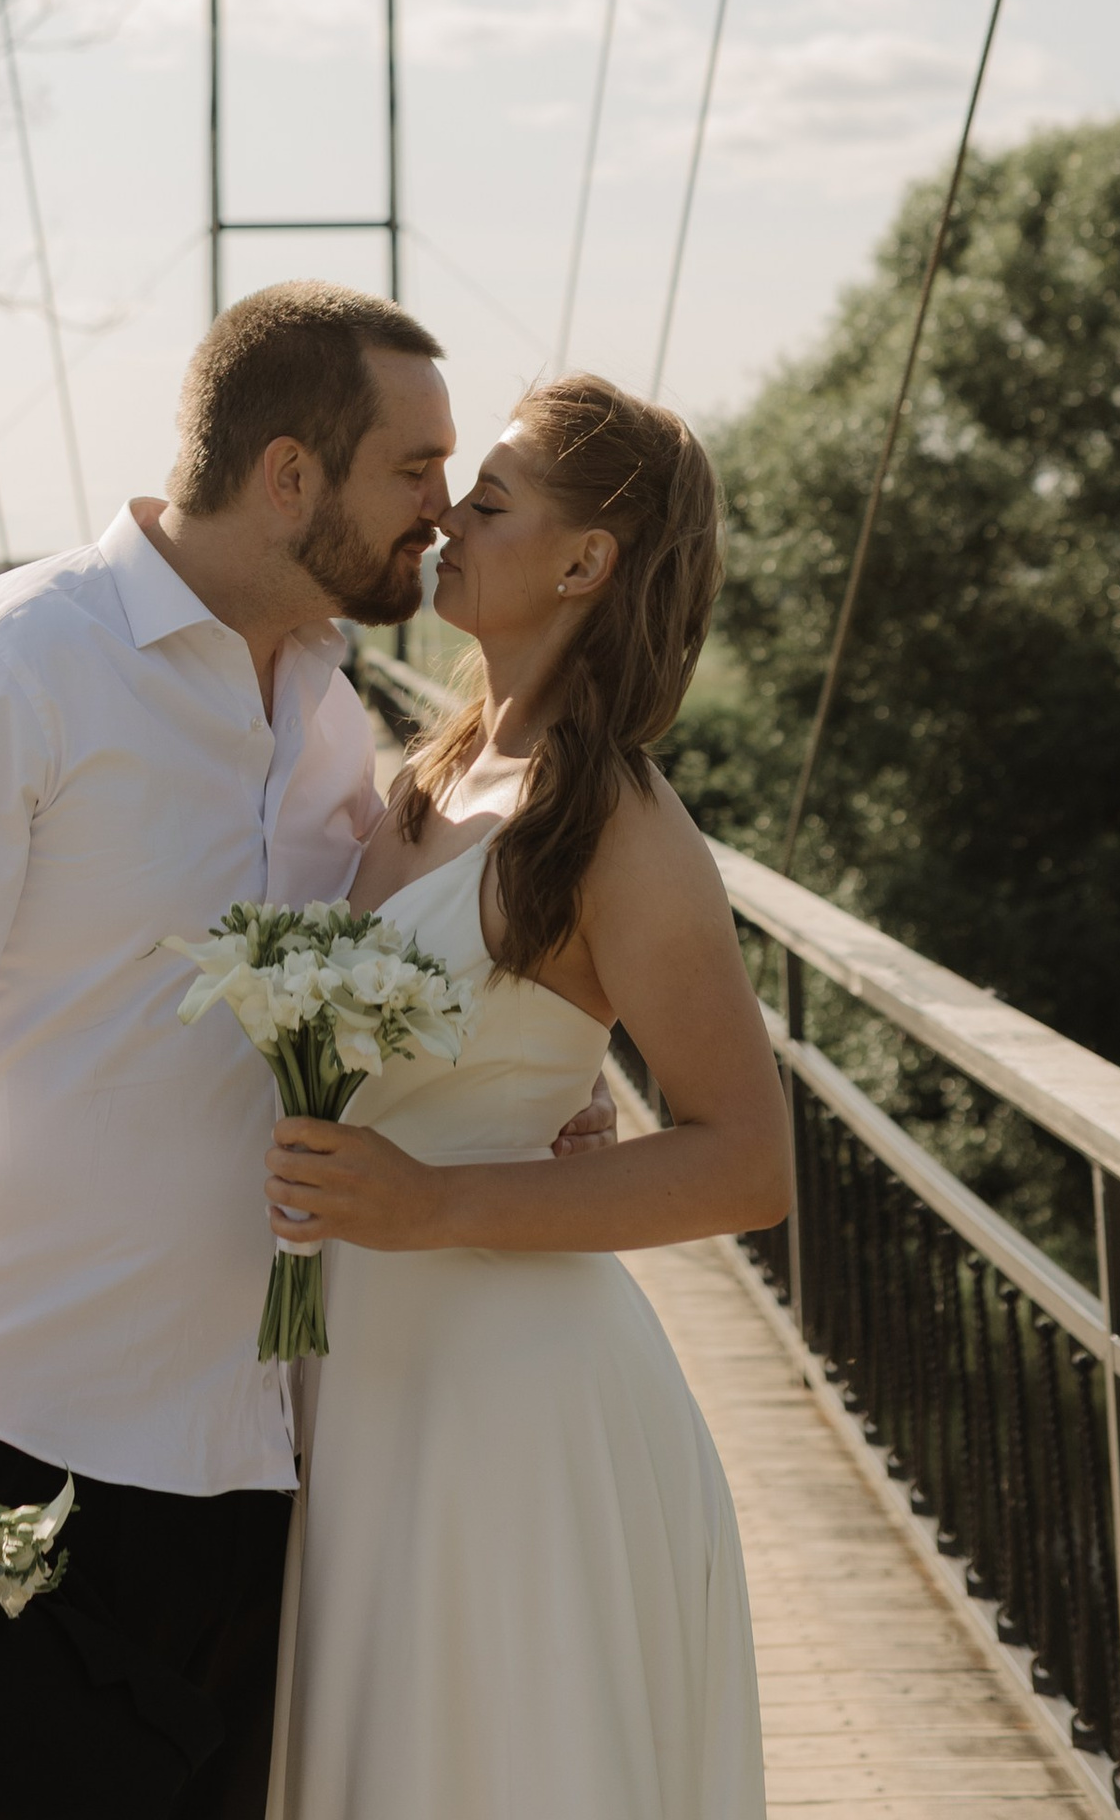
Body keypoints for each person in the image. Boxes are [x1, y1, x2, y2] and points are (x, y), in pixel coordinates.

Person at [0, 282, 613, 1820]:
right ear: (290, 476)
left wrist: (512, 1102)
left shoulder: (322, 707)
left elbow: (349, 1010)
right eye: (416, 470)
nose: (444, 516)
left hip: (258, 1481)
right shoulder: (2, 676)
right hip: (7, 1457)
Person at [263, 372, 790, 1820]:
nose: (441, 520)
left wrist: (440, 1201)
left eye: (487, 504)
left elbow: (748, 1160)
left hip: (510, 1410)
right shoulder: (431, 771)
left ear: (582, 562)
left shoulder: (617, 818)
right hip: (364, 1383)